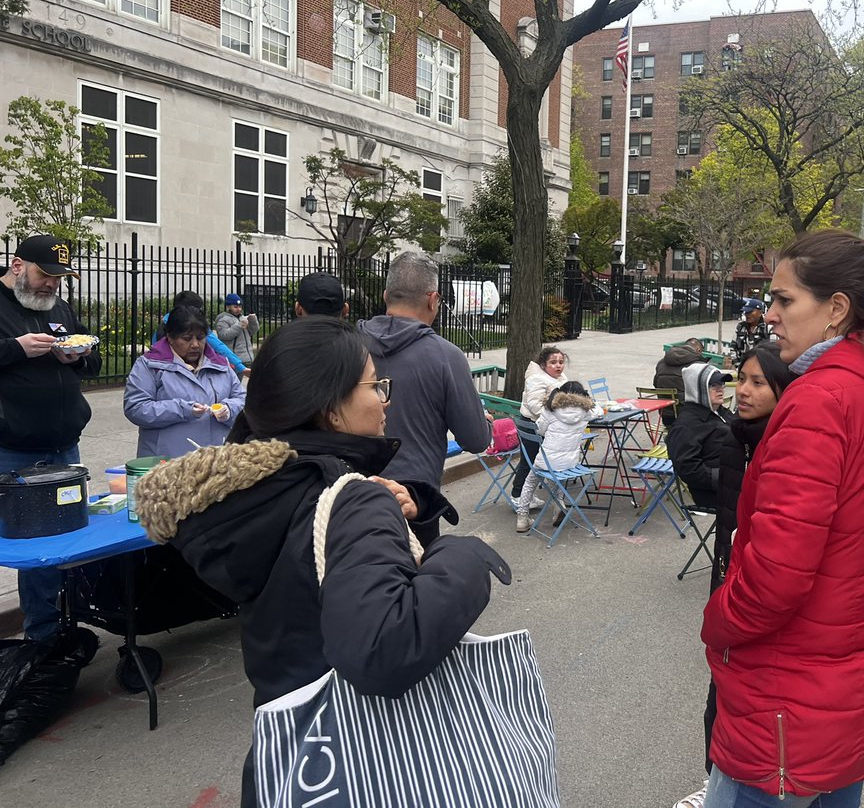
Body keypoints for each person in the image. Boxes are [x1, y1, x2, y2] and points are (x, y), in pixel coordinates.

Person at [134, 316, 510, 808]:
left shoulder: (253, 490)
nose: (385, 398)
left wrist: (409, 504)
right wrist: (461, 554)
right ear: (332, 409)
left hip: (286, 762)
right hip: (366, 766)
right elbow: (384, 649)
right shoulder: (351, 499)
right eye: (376, 385)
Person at [700, 230, 864, 808]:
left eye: (785, 300)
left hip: (788, 694)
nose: (769, 315)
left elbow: (776, 577)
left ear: (836, 309)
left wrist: (717, 621)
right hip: (852, 675)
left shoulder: (823, 400)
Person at [674, 342, 796, 808]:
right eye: (737, 379)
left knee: (760, 695)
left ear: (785, 389)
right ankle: (715, 777)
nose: (740, 390)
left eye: (756, 382)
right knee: (721, 685)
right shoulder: (735, 436)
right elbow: (725, 518)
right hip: (730, 576)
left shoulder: (788, 443)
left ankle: (747, 781)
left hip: (767, 591)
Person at [0, 235, 101, 640]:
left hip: (64, 444)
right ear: (18, 265)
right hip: (14, 448)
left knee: (70, 539)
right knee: (35, 549)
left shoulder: (58, 307)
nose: (52, 285)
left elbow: (92, 359)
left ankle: (66, 625)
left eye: (59, 278)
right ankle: (42, 637)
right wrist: (16, 349)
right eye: (46, 275)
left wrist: (79, 356)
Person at [360, 251, 492, 488]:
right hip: (416, 496)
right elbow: (475, 439)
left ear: (385, 296)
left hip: (351, 491)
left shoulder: (348, 344)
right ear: (433, 300)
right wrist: (486, 423)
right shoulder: (446, 356)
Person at [123, 306, 245, 458]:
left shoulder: (220, 365)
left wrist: (229, 410)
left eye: (200, 338)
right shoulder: (149, 365)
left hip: (215, 462)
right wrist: (182, 409)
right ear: (170, 338)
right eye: (187, 339)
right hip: (167, 462)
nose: (195, 345)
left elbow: (243, 401)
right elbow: (136, 408)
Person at [514, 380, 601, 532]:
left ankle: (522, 518)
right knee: (556, 476)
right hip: (570, 464)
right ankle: (559, 507)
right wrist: (592, 403)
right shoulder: (586, 413)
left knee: (530, 482)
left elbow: (540, 430)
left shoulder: (551, 411)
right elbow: (598, 410)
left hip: (546, 461)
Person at [666, 363, 734, 510]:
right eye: (712, 385)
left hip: (735, 481)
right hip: (715, 493)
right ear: (697, 389)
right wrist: (725, 478)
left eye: (721, 383)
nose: (720, 388)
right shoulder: (687, 424)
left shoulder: (719, 412)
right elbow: (687, 468)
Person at [510, 345, 570, 501]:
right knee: (529, 461)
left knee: (537, 460)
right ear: (543, 365)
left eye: (561, 362)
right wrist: (556, 415)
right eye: (553, 362)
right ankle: (517, 495)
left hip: (548, 426)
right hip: (532, 425)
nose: (558, 365)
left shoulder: (561, 378)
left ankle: (526, 494)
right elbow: (535, 405)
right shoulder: (536, 379)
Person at [154, 291, 246, 374]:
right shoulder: (196, 326)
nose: (195, 345)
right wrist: (240, 366)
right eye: (187, 338)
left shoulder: (163, 325)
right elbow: (218, 346)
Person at [653, 337, 708, 426]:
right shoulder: (697, 365)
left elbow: (655, 384)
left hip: (666, 417)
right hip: (689, 418)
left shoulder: (661, 363)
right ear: (698, 350)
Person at [215, 293, 258, 366]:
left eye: (240, 307)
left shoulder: (242, 318)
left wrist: (253, 321)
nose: (239, 309)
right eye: (235, 307)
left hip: (247, 358)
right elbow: (224, 335)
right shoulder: (223, 320)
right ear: (228, 307)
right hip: (234, 359)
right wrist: (239, 325)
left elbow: (252, 331)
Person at [732, 298, 769, 362]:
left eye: (750, 312)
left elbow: (774, 351)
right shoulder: (741, 327)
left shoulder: (768, 328)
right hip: (742, 366)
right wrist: (736, 364)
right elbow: (733, 346)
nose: (747, 315)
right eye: (746, 312)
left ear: (760, 313)